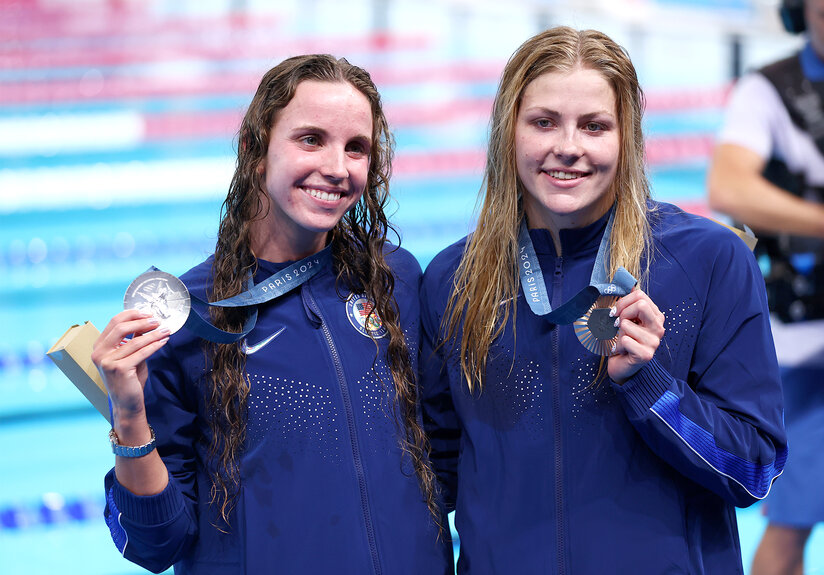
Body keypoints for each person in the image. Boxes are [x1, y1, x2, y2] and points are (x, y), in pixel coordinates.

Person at [420, 26, 788, 574]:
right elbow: (433, 477)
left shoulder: (709, 260)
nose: (568, 147)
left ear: (628, 137)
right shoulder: (454, 278)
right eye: (544, 122)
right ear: (507, 131)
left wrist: (649, 384)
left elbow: (753, 470)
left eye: (595, 126)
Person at [91, 54, 454, 575]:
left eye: (357, 148)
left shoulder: (395, 277)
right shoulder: (190, 317)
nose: (336, 167)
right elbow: (157, 545)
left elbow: (444, 457)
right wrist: (128, 415)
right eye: (311, 139)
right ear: (255, 150)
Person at [708, 0, 824, 573]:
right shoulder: (766, 92)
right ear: (800, 16)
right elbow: (727, 187)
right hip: (808, 348)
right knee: (788, 526)